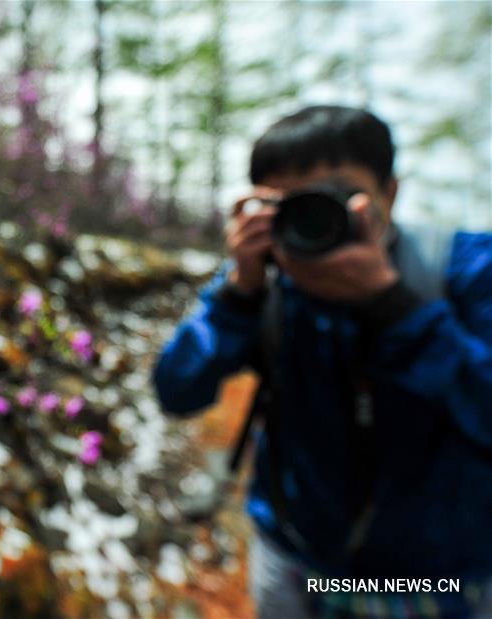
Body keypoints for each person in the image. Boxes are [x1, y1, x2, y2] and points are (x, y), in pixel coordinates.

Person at [153, 105, 492, 619]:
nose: (309, 220)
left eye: (329, 198)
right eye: (282, 205)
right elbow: (177, 389)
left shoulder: (464, 269)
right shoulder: (263, 282)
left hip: (441, 580)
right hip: (293, 561)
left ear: (389, 192)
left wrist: (392, 305)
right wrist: (237, 296)